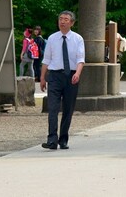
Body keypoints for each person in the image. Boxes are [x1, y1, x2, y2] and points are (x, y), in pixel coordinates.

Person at [40, 10, 85, 150]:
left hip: (71, 76)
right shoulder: (52, 38)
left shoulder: (78, 39)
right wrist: (42, 77)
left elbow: (80, 59)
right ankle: (52, 139)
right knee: (52, 108)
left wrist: (77, 73)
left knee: (68, 108)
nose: (62, 21)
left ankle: (63, 138)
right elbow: (46, 59)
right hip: (54, 76)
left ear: (72, 23)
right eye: (60, 19)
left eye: (66, 19)